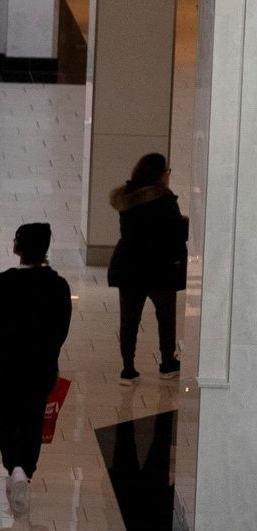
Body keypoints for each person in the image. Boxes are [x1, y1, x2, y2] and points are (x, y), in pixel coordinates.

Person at [0, 221, 72, 508]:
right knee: (32, 419)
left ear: (18, 246)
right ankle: (24, 474)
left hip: (9, 365)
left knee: (2, 416)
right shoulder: (58, 286)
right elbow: (62, 329)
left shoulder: (0, 284)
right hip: (42, 367)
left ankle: (14, 468)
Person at [108, 151, 188, 381]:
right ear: (160, 174)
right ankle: (167, 363)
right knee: (166, 318)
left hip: (129, 267)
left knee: (129, 320)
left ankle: (128, 369)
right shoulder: (164, 199)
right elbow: (174, 232)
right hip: (159, 268)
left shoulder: (127, 199)